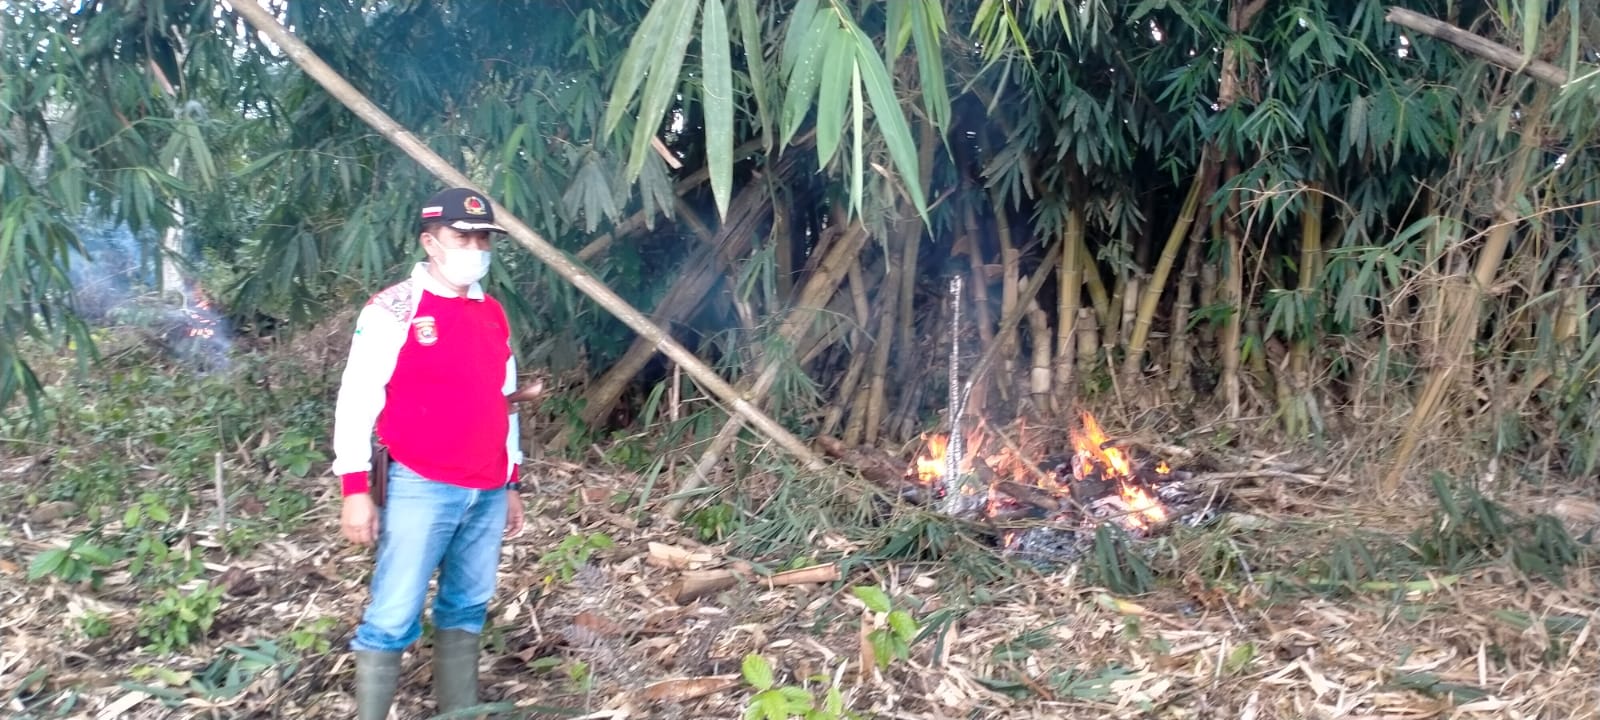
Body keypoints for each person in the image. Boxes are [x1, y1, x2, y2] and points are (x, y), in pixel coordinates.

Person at [329, 187, 527, 719]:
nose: (474, 248)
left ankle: (457, 709)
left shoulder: (491, 311)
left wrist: (511, 481)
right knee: (393, 613)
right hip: (421, 481)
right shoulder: (393, 308)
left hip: (485, 487)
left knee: (466, 606)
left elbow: (504, 400)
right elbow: (357, 398)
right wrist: (354, 490)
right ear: (430, 241)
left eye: (482, 238)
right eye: (462, 237)